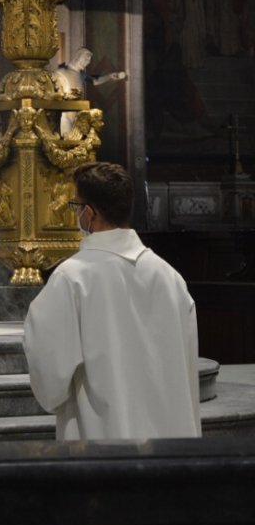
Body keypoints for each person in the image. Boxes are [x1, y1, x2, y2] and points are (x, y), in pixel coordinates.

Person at [23, 162, 201, 441]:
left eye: (76, 206)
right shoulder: (170, 278)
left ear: (90, 214)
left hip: (103, 447)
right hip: (168, 449)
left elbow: (50, 380)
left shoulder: (71, 279)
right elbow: (188, 372)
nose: (76, 214)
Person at [49, 47, 127, 135]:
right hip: (64, 117)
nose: (87, 63)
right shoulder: (61, 73)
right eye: (85, 59)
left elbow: (95, 81)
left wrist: (109, 76)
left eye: (89, 61)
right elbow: (51, 93)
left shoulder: (81, 75)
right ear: (78, 57)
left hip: (78, 118)